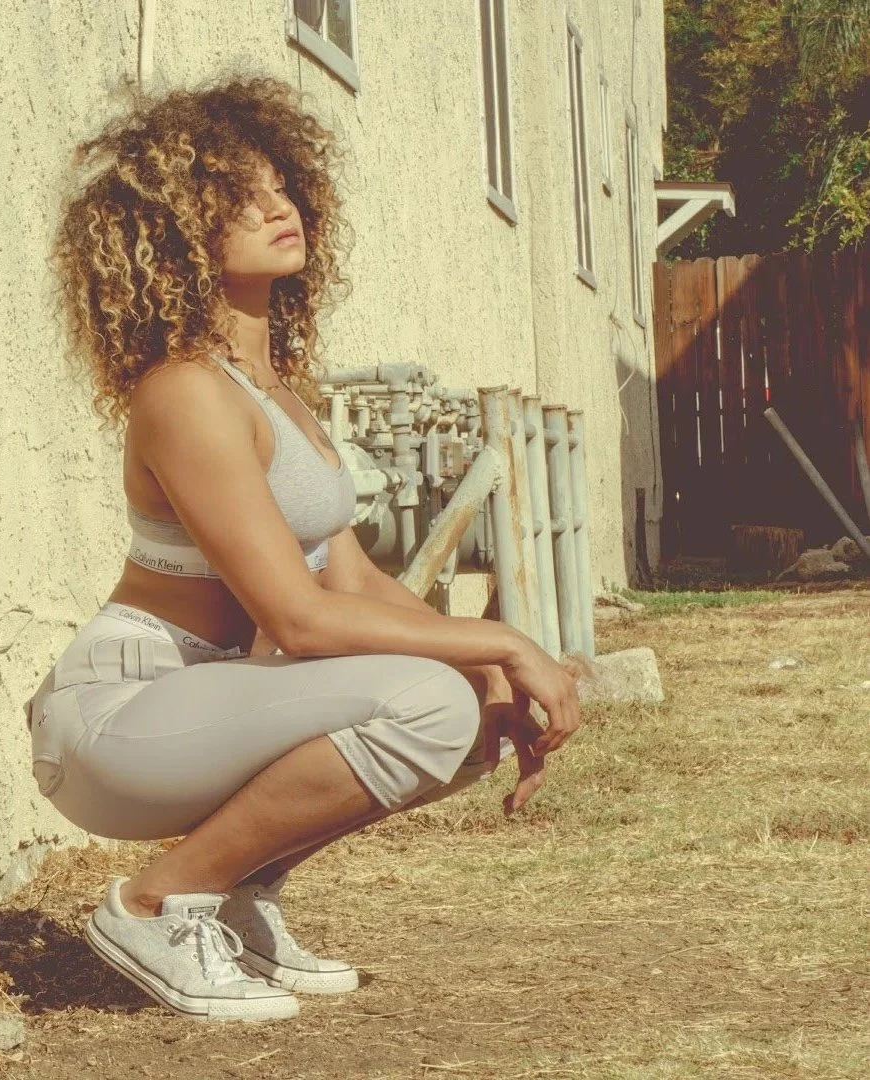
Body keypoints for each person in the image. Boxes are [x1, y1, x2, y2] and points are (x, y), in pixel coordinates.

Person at [28, 75, 582, 1022]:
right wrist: (501, 643)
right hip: (119, 722)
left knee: (471, 709)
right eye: (235, 195)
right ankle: (155, 904)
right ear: (171, 230)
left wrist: (500, 670)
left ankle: (239, 900)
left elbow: (352, 575)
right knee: (428, 698)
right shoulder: (184, 393)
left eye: (278, 183)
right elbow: (298, 617)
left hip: (214, 702)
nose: (275, 203)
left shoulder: (276, 392)